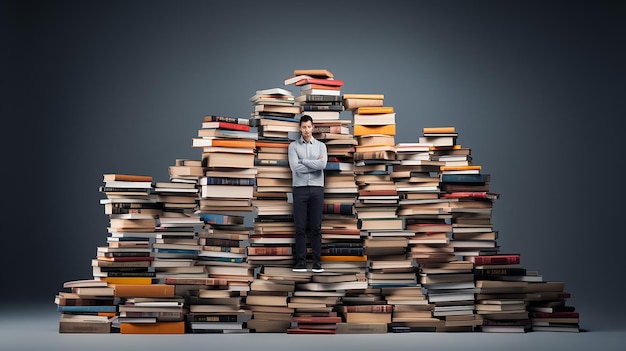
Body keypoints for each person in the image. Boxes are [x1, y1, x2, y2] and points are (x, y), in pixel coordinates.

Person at [288, 114, 328, 273]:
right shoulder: (293, 146)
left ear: (313, 127)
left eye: (309, 127)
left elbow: (323, 164)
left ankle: (317, 263)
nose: (306, 130)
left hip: (317, 189)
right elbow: (294, 168)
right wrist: (314, 164)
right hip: (299, 189)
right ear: (300, 128)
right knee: (299, 228)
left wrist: (303, 161)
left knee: (316, 227)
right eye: (303, 127)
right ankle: (301, 263)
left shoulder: (321, 146)